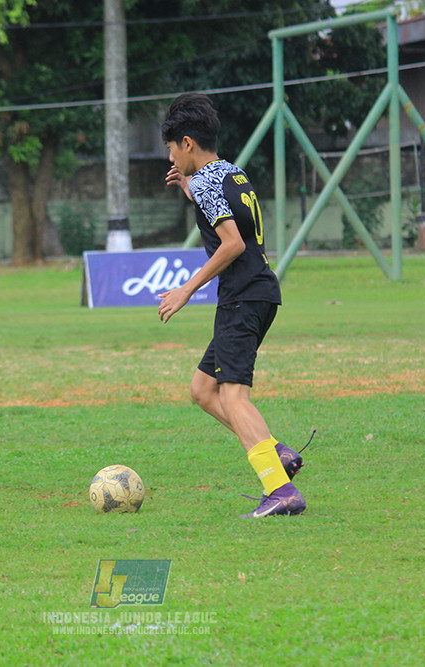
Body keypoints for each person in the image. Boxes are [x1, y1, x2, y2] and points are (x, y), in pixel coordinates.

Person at [158, 92, 305, 519]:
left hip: (242, 297)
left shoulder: (206, 181)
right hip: (259, 291)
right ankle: (277, 453)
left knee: (234, 396)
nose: (171, 157)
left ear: (187, 143)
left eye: (171, 148)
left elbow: (232, 243)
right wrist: (190, 190)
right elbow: (230, 218)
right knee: (203, 390)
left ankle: (280, 489)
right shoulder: (230, 174)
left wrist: (186, 289)